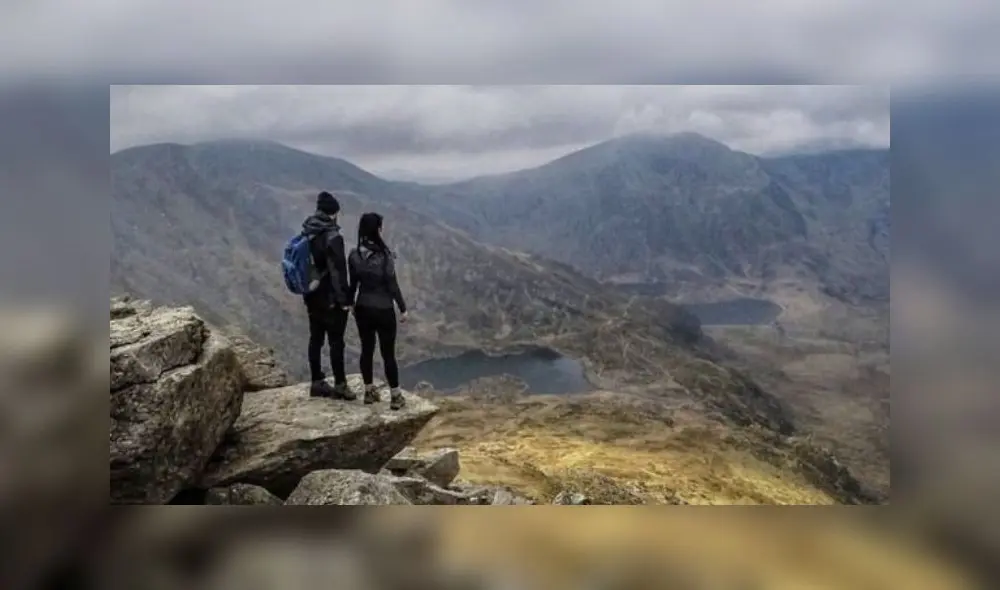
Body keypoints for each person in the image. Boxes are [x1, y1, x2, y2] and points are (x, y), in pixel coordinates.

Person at [348, 212, 408, 410]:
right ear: (377, 230)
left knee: (367, 349)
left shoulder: (355, 255)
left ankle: (369, 391)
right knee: (388, 353)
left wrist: (350, 304)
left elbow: (353, 284)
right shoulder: (385, 256)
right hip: (383, 309)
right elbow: (392, 284)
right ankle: (396, 396)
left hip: (363, 308)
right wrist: (403, 308)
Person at [301, 191, 355, 400]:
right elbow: (338, 272)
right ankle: (340, 384)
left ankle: (316, 382)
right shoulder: (334, 237)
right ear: (334, 213)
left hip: (311, 295)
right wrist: (345, 301)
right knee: (336, 342)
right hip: (330, 299)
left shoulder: (307, 230)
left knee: (315, 339)